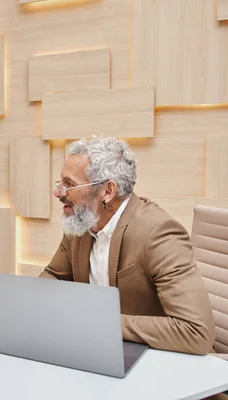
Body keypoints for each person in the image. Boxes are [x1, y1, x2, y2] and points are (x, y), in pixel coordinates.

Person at [40, 136, 215, 355]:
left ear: (108, 191)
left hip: (157, 362)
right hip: (101, 353)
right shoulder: (82, 223)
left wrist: (99, 322)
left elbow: (196, 333)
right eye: (60, 184)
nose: (58, 192)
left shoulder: (159, 233)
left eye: (70, 184)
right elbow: (53, 278)